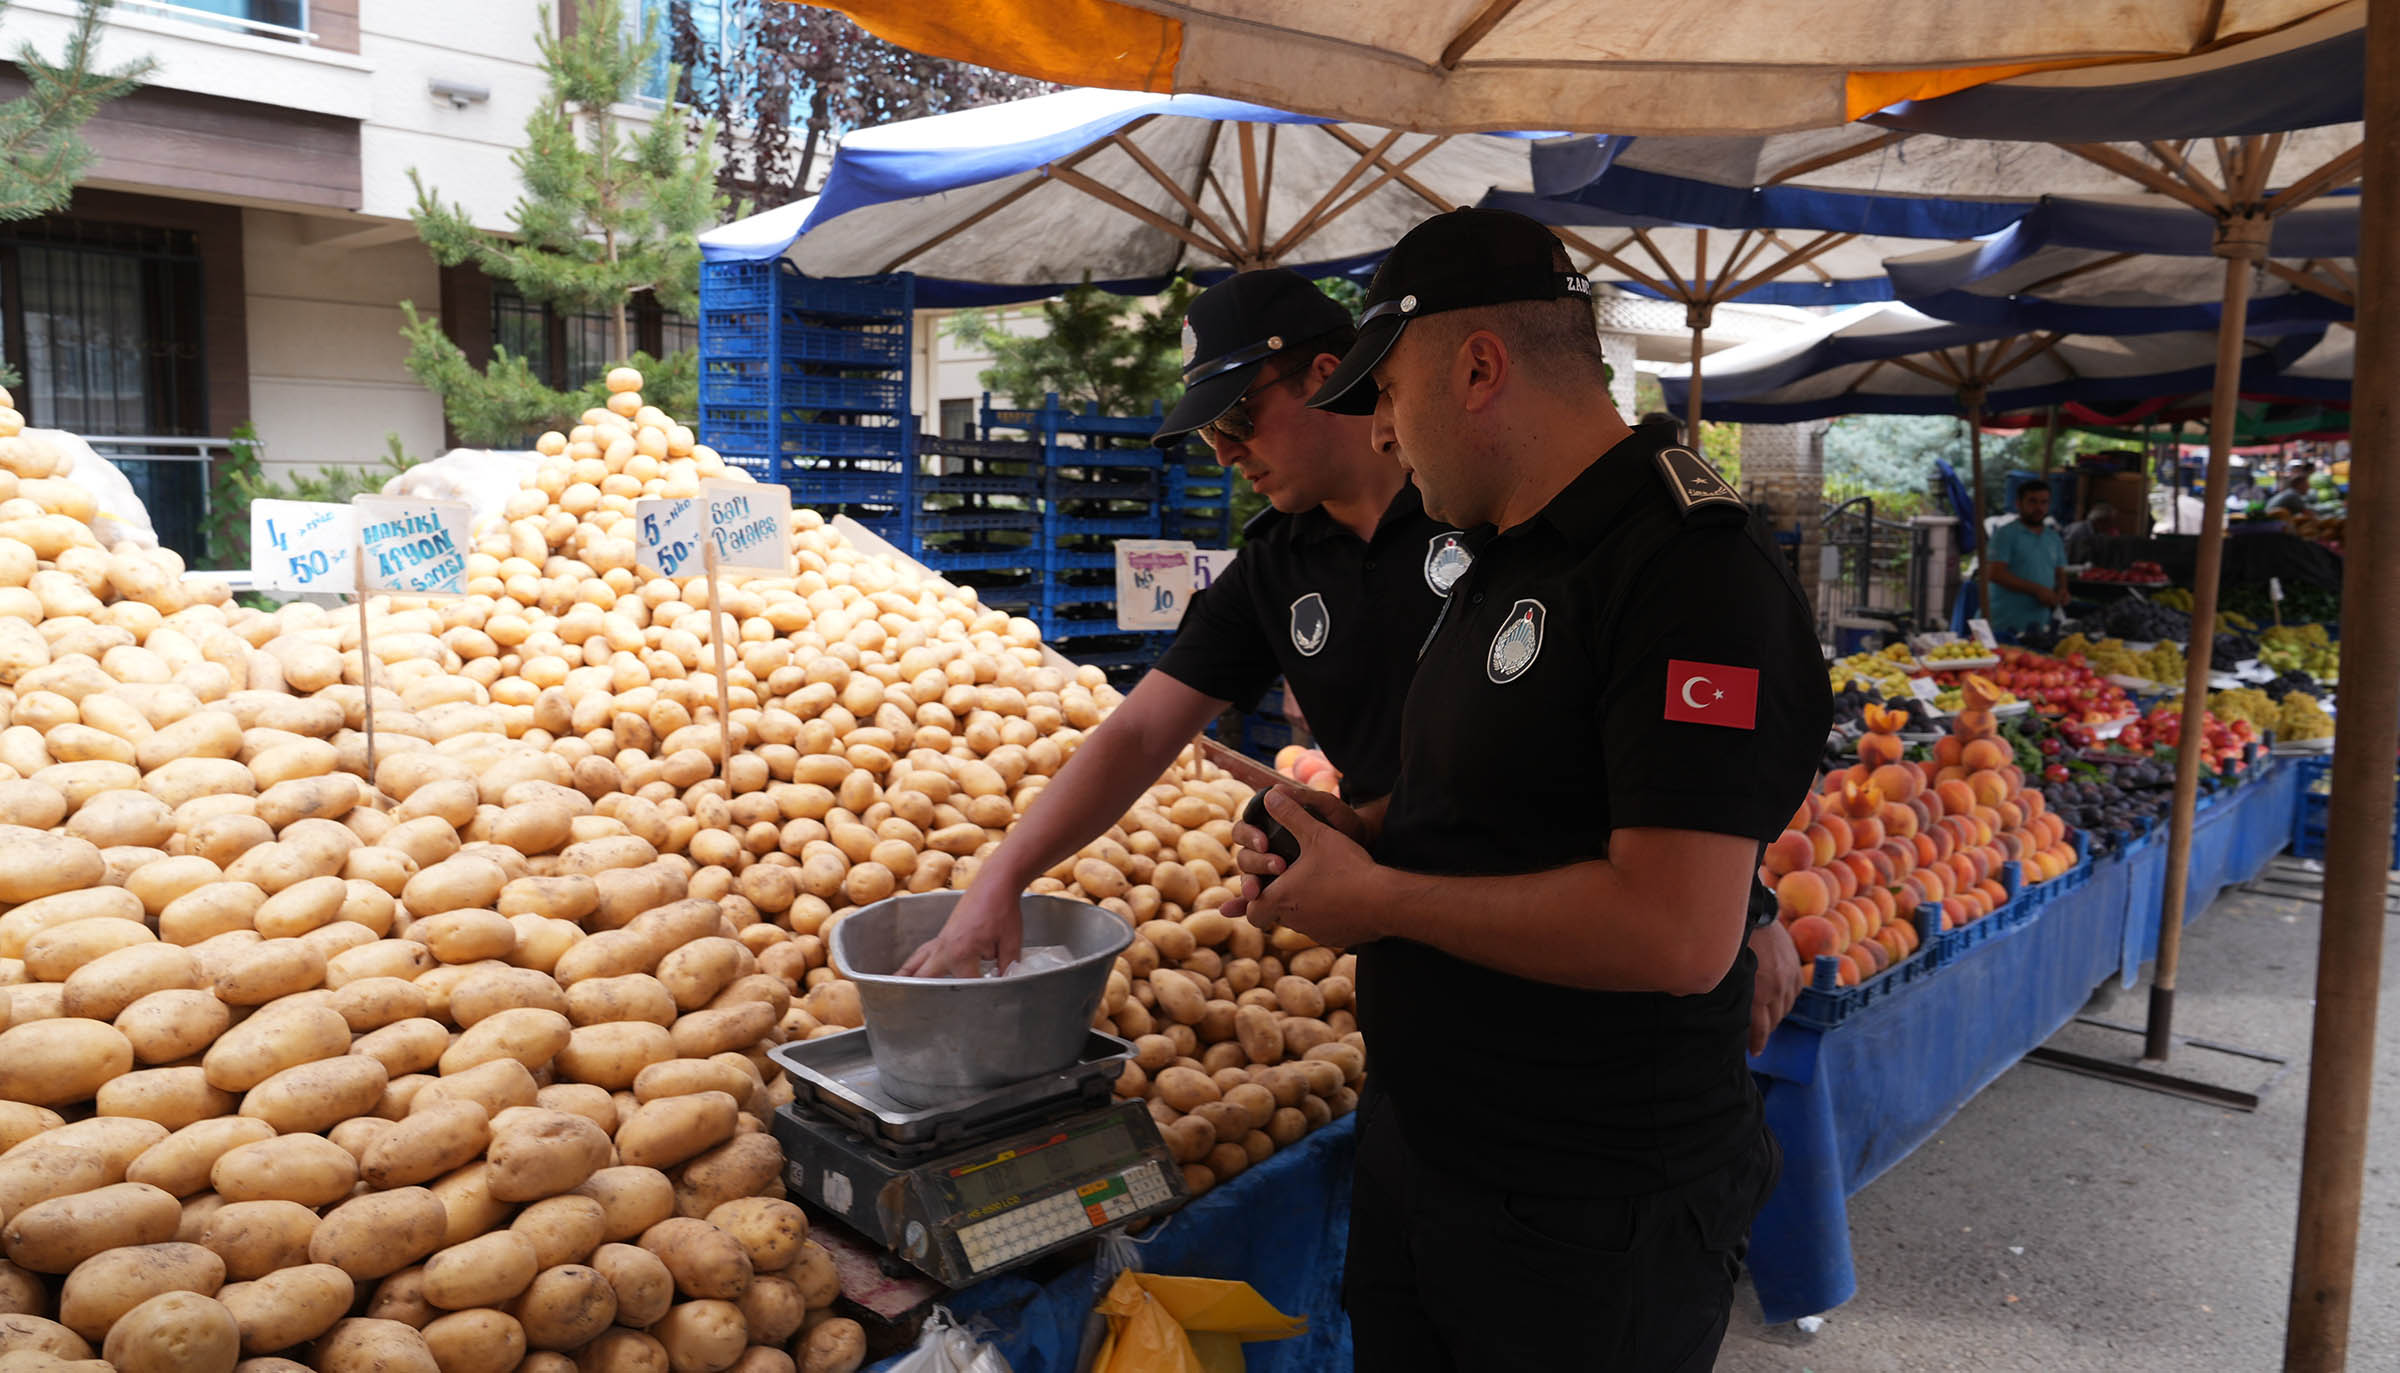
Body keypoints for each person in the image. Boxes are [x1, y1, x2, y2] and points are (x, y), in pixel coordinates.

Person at [1228, 208, 1829, 1371]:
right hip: (1436, 1161)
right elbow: (1500, 804)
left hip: (1587, 1214)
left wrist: (1383, 901)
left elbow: (1676, 931)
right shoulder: (1502, 549)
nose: (1386, 438)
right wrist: (1359, 830)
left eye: (1391, 397)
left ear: (1481, 368)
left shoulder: (1690, 569)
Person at [895, 268, 1476, 977]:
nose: (1225, 453)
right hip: (1401, 967)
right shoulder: (1273, 564)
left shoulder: (1477, 510)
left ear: (1325, 376)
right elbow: (1139, 733)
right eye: (1208, 433)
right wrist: (999, 878)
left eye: (1235, 419)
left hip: (1551, 949)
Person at [1984, 484, 2068, 638]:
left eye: (2044, 502)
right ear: (2018, 504)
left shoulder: (2054, 538)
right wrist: (2037, 590)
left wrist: (2062, 590)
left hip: (2039, 623)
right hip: (2004, 622)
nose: (2039, 507)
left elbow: (2060, 570)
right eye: (2032, 501)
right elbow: (1995, 574)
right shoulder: (2005, 535)